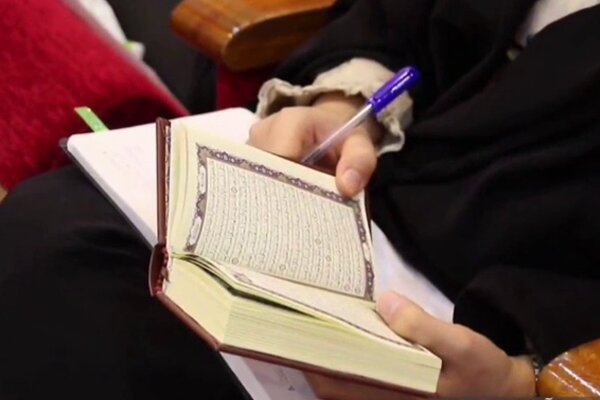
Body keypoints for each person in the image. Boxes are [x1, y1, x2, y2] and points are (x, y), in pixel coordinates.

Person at [0, 1, 598, 399]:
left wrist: (520, 382)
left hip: (492, 333)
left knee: (103, 319)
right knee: (57, 229)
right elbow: (398, 22)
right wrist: (344, 106)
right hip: (369, 202)